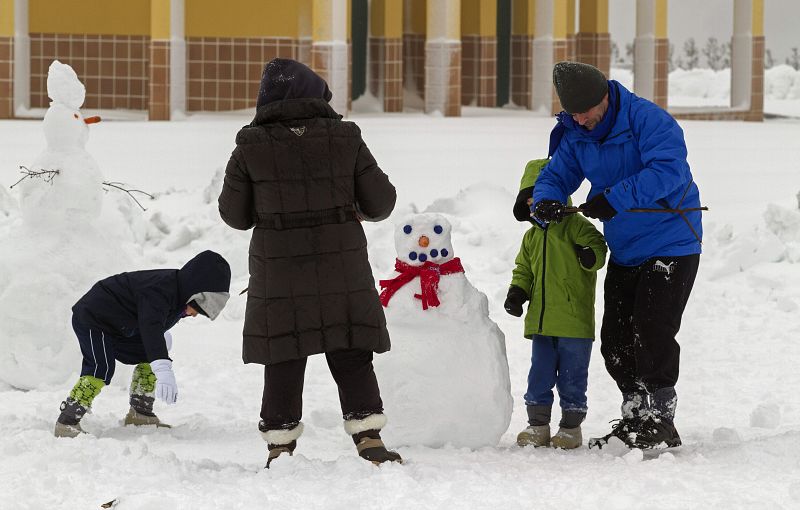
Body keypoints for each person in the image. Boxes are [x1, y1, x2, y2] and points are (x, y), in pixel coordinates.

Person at [218, 58, 401, 467]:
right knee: (351, 347)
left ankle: (280, 446)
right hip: (343, 266)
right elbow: (382, 202)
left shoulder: (250, 144)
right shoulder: (345, 137)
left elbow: (233, 215)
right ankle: (369, 438)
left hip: (279, 270)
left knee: (284, 353)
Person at [532, 61, 703, 449]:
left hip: (673, 240)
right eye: (573, 114)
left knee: (652, 331)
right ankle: (635, 413)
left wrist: (614, 198)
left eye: (586, 112)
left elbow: (669, 171)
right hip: (626, 247)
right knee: (616, 338)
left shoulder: (648, 120)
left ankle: (660, 418)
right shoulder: (576, 132)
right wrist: (543, 202)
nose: (581, 120)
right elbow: (557, 175)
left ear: (605, 97)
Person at [54, 250, 232, 438]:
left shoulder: (179, 297)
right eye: (197, 308)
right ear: (193, 291)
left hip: (121, 327)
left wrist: (159, 354)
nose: (195, 314)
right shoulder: (161, 289)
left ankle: (140, 412)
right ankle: (67, 421)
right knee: (101, 367)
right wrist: (163, 368)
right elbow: (151, 327)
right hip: (94, 319)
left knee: (152, 351)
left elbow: (154, 331)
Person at [506, 158, 607, 449]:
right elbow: (524, 269)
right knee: (539, 373)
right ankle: (537, 426)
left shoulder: (575, 226)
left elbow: (598, 246)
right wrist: (517, 293)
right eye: (529, 200)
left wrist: (590, 255)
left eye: (539, 198)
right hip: (541, 322)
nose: (534, 206)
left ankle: (570, 428)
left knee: (573, 377)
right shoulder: (531, 237)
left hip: (574, 322)